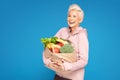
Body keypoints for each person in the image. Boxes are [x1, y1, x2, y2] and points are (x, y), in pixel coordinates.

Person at [43, 4, 89, 80]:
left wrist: (66, 66)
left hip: (73, 78)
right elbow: (48, 47)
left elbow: (83, 61)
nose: (71, 18)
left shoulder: (81, 36)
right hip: (58, 76)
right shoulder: (62, 31)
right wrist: (48, 62)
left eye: (74, 16)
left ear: (80, 19)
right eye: (69, 16)